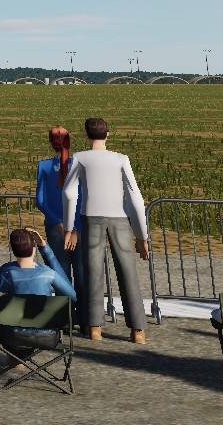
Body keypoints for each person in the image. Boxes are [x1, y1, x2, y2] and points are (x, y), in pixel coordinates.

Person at [61, 117, 150, 342]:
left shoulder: (80, 158)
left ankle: (94, 327)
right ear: (108, 134)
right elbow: (135, 198)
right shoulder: (121, 159)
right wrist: (142, 236)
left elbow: (69, 194)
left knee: (93, 272)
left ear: (87, 135)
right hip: (120, 219)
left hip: (91, 219)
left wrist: (69, 227)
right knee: (128, 272)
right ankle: (138, 330)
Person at [0, 228, 75, 333]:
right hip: (47, 335)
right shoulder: (47, 273)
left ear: (11, 249)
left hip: (14, 335)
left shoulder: (6, 272)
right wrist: (44, 247)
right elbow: (72, 296)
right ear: (34, 250)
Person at [34, 126, 84, 313]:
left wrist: (59, 223)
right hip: (80, 228)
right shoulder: (80, 166)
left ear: (50, 143)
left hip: (55, 227)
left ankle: (65, 315)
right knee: (82, 272)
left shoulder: (44, 166)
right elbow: (84, 198)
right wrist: (76, 227)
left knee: (60, 272)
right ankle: (85, 316)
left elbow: (41, 201)